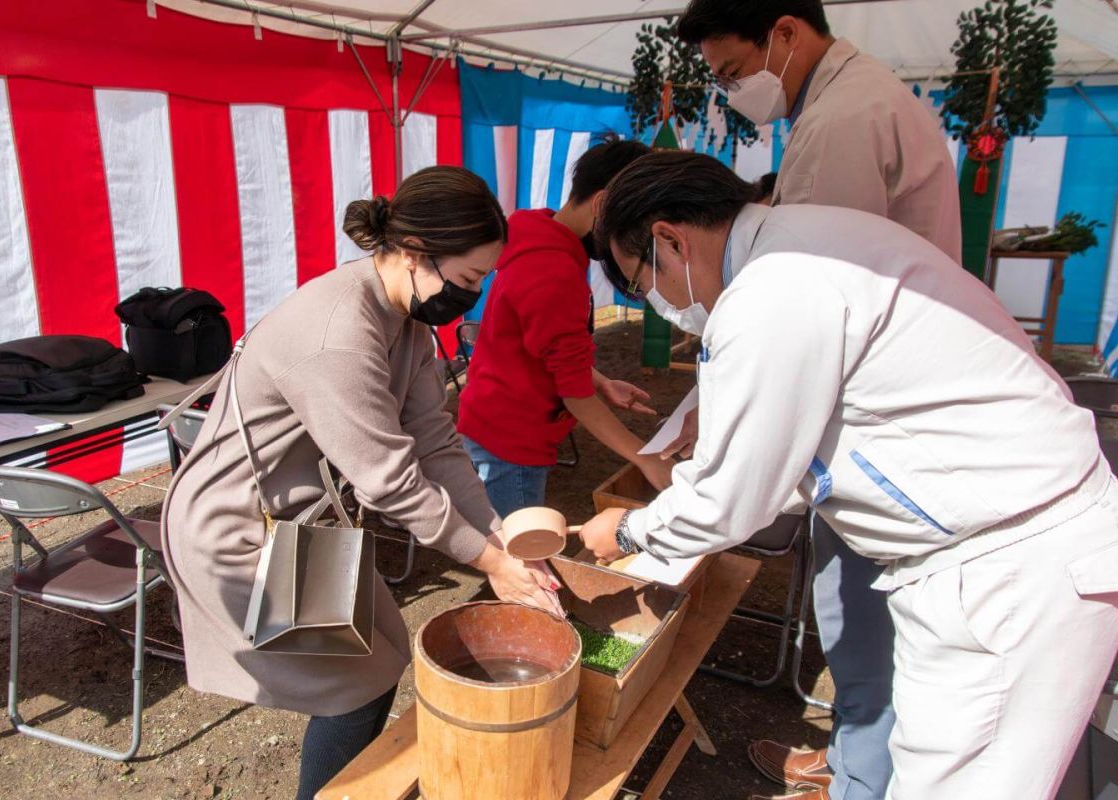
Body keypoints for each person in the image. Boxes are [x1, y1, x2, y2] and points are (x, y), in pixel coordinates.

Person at [582, 151, 1118, 800]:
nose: (656, 302)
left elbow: (731, 499)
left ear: (669, 238)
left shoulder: (770, 291)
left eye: (641, 283)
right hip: (1005, 534)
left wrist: (633, 531)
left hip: (1006, 568)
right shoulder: (810, 240)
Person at [161, 166, 563, 800]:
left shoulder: (405, 319)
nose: (474, 294)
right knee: (356, 684)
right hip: (240, 532)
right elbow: (392, 482)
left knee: (381, 653)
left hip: (299, 522)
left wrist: (497, 537)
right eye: (466, 279)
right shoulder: (339, 337)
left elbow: (434, 440)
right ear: (411, 253)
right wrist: (488, 560)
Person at [670, 2, 964, 797]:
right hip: (894, 416)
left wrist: (649, 518)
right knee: (854, 610)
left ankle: (862, 776)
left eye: (734, 72)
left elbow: (805, 297)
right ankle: (854, 762)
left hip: (892, 433)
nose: (733, 92)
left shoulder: (843, 122)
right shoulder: (851, 101)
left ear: (786, 33)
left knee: (865, 616)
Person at [457, 136, 671, 518]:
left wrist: (600, 381)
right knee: (518, 551)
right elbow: (574, 395)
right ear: (604, 204)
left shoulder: (537, 232)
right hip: (513, 439)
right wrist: (646, 459)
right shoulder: (554, 271)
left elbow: (546, 348)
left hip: (493, 417)